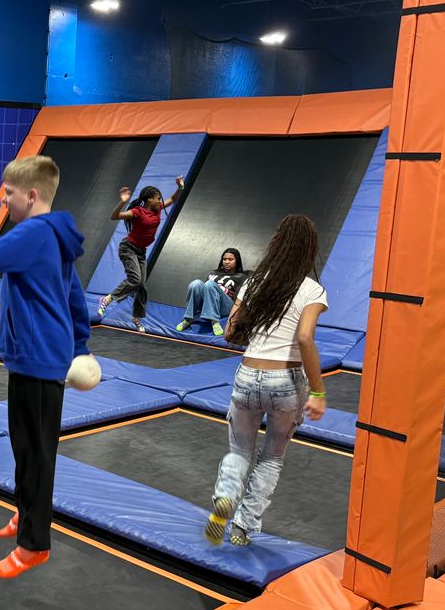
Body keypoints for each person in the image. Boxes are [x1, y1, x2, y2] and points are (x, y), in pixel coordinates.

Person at [0, 155, 92, 579]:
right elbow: (74, 296)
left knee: (36, 455)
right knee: (26, 448)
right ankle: (26, 513)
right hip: (34, 359)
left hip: (38, 361)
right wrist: (81, 345)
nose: (4, 200)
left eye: (9, 194)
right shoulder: (53, 235)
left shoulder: (35, 232)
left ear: (32, 195)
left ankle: (34, 544)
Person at [204, 215, 328, 547]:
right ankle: (242, 527)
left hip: (247, 374)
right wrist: (318, 392)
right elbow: (305, 339)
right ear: (309, 250)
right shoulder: (312, 290)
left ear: (276, 243)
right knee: (271, 457)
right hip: (286, 380)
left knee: (239, 451)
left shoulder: (254, 282)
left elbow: (230, 332)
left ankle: (226, 497)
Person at [97, 178, 184, 331]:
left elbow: (173, 199)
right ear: (149, 199)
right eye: (158, 198)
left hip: (141, 251)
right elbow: (114, 216)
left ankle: (136, 317)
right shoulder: (137, 212)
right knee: (135, 279)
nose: (160, 201)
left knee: (142, 285)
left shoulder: (157, 209)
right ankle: (107, 299)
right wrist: (122, 202)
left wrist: (180, 187)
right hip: (128, 248)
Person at [177, 248, 246, 336]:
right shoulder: (214, 273)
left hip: (225, 306)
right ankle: (188, 318)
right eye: (224, 259)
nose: (226, 262)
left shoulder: (242, 276)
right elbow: (204, 290)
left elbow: (241, 298)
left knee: (210, 284)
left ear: (237, 261)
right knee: (196, 283)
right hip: (208, 304)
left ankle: (214, 321)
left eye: (230, 259)